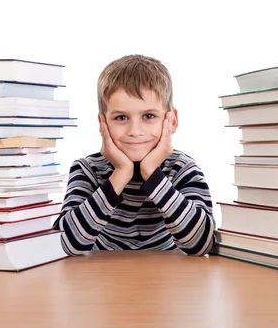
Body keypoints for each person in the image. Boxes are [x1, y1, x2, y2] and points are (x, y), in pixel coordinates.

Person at [54, 54, 215, 256]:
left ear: (171, 120)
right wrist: (121, 172)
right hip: (102, 279)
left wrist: (151, 173)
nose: (135, 131)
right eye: (121, 117)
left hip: (168, 280)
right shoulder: (87, 169)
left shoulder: (182, 169)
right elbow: (66, 243)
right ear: (102, 124)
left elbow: (202, 243)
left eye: (149, 116)